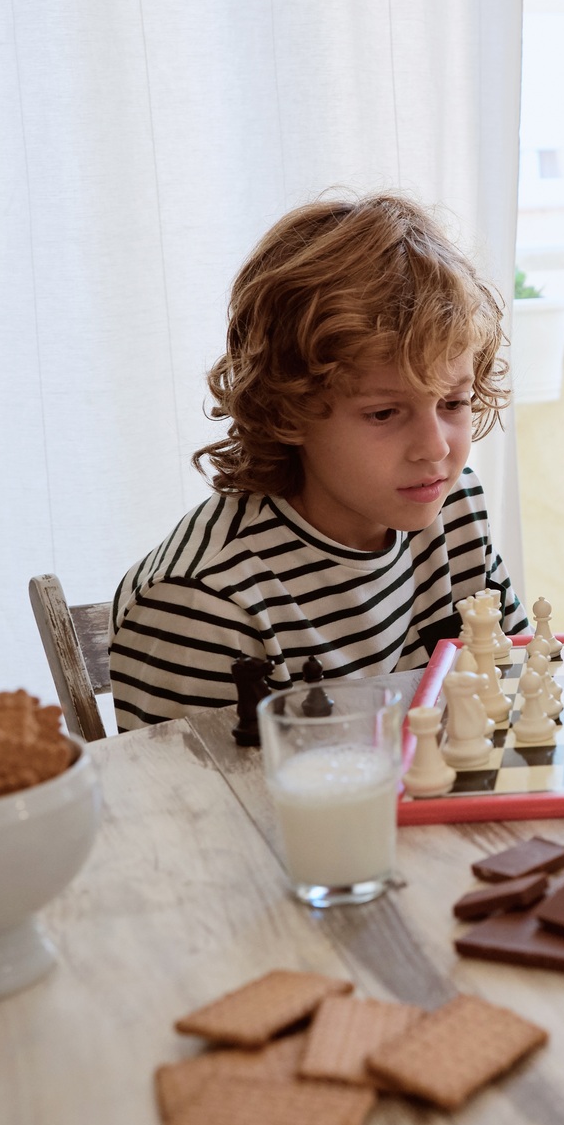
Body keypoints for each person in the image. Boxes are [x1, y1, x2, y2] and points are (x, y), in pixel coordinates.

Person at [108, 194, 525, 731]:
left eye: (453, 403)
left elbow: (520, 688)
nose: (436, 448)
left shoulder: (455, 507)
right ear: (289, 410)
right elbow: (199, 810)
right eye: (383, 413)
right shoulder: (204, 604)